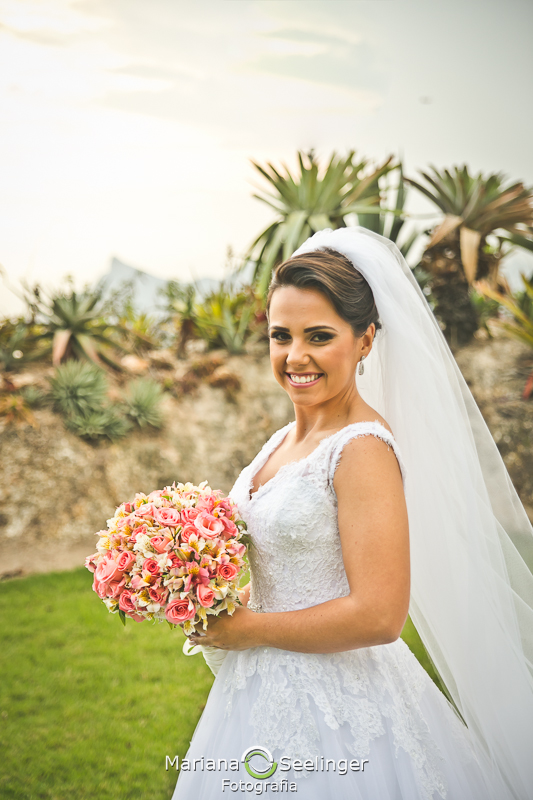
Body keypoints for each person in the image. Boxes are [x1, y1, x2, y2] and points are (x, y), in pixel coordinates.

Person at [172, 227, 533, 800]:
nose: (295, 357)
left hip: (341, 710)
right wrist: (209, 594)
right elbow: (294, 563)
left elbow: (380, 615)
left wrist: (249, 629)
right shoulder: (281, 441)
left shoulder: (361, 448)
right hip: (261, 689)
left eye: (319, 336)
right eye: (280, 336)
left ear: (365, 340)